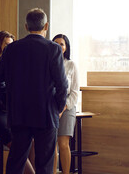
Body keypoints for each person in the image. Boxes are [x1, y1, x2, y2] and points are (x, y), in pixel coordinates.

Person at [0, 8, 68, 174]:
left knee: (16, 161)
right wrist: (57, 107)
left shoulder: (11, 49)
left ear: (26, 26)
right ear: (46, 26)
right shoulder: (53, 49)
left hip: (19, 114)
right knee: (45, 164)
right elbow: (62, 85)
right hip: (46, 114)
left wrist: (8, 101)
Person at [0, 31, 35, 174]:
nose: (8, 48)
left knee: (30, 143)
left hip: (9, 110)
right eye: (6, 44)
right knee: (18, 147)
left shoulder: (12, 64)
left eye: (11, 45)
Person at [52, 34, 80, 173]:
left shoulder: (71, 65)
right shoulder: (48, 63)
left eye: (61, 44)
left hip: (67, 107)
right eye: (56, 43)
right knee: (52, 146)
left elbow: (75, 92)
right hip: (51, 107)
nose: (58, 46)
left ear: (66, 47)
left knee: (63, 144)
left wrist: (63, 108)